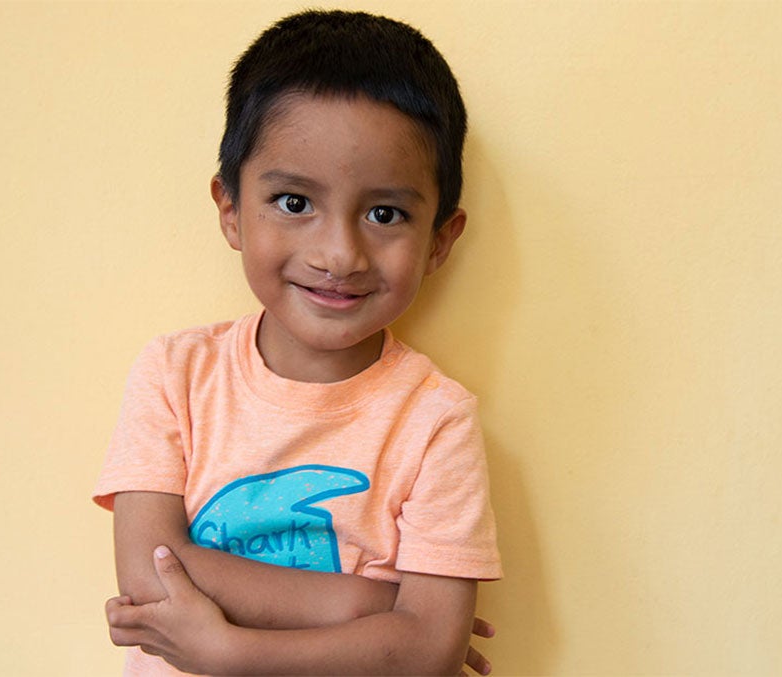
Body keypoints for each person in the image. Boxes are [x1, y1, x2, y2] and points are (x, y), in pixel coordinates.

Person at [93, 9, 502, 676]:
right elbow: (149, 572)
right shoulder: (175, 374)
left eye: (385, 213)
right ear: (230, 209)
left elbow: (430, 650)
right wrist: (373, 603)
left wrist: (228, 648)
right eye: (293, 202)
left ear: (440, 239)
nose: (339, 253)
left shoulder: (436, 419)